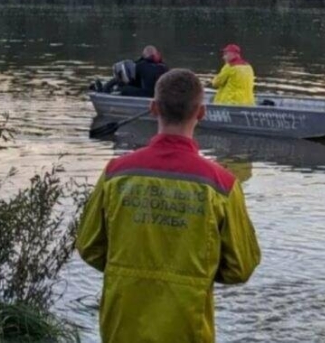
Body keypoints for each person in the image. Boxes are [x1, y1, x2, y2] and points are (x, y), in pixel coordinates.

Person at [76, 69, 261, 343]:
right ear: (201, 113)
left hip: (121, 324)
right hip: (188, 327)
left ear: (152, 108)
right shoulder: (221, 185)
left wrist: (127, 266)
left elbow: (89, 246)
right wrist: (198, 271)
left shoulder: (116, 173)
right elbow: (240, 267)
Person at [94, 45, 168, 97]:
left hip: (148, 94)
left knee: (123, 88)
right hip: (160, 94)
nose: (159, 55)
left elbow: (124, 78)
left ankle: (104, 90)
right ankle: (104, 89)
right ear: (154, 55)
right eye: (158, 53)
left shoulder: (140, 65)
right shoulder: (163, 66)